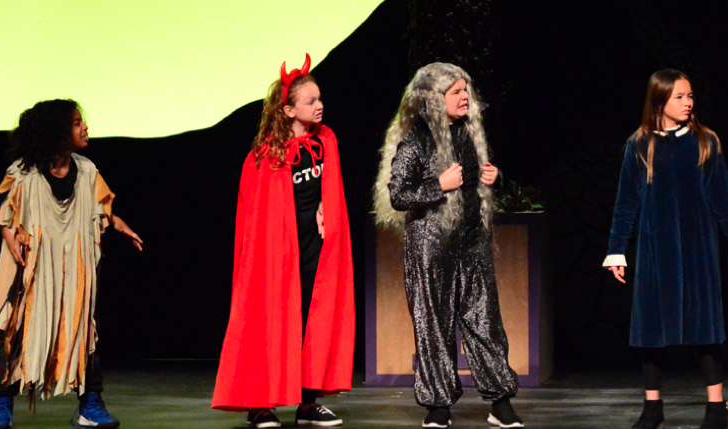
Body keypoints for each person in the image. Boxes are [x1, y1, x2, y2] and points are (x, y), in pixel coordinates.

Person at [603, 70, 728, 429]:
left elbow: (723, 201)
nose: (688, 102)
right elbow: (626, 203)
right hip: (655, 252)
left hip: (698, 251)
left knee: (704, 329)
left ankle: (715, 406)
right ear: (660, 101)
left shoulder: (705, 142)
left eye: (690, 96)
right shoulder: (639, 145)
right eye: (680, 96)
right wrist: (617, 250)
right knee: (650, 331)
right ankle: (652, 407)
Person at [373, 62, 523, 429]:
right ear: (434, 100)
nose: (464, 97)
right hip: (430, 247)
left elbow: (490, 183)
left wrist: (497, 177)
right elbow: (398, 195)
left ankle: (499, 401)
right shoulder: (417, 140)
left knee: (484, 322)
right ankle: (437, 406)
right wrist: (438, 185)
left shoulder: (473, 135)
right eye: (455, 92)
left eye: (465, 90)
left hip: (471, 244)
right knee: (433, 327)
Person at [211, 54, 354, 428]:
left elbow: (333, 189)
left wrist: (326, 203)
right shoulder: (264, 156)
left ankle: (308, 402)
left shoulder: (327, 140)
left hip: (316, 250)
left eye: (320, 98)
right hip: (277, 258)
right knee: (271, 324)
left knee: (312, 323)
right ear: (288, 110)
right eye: (311, 102)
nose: (320, 106)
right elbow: (255, 220)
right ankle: (260, 404)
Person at [0, 99, 143, 429]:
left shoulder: (87, 170)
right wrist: (9, 235)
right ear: (55, 133)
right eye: (75, 123)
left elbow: (103, 204)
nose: (84, 127)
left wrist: (118, 223)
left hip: (73, 269)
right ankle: (2, 404)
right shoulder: (22, 173)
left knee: (84, 331)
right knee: (14, 333)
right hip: (33, 268)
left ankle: (90, 405)